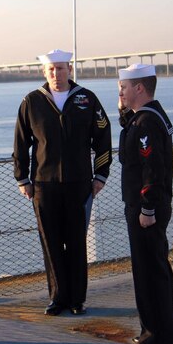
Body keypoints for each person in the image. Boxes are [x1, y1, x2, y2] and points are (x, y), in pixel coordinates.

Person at [13, 49, 112, 316]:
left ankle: (77, 299)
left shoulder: (87, 99)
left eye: (60, 68)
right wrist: (22, 179)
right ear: (45, 72)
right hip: (44, 185)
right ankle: (58, 298)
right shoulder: (32, 102)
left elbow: (103, 137)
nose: (56, 74)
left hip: (79, 184)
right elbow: (21, 143)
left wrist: (100, 174)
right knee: (51, 243)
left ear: (69, 68)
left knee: (76, 242)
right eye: (51, 70)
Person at [118, 63, 173, 344]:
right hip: (147, 206)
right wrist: (123, 112)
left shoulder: (146, 123)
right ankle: (158, 330)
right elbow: (128, 150)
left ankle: (158, 336)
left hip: (145, 209)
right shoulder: (146, 117)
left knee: (150, 272)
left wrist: (148, 208)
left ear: (139, 88)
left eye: (125, 87)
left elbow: (151, 168)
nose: (121, 91)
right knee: (154, 269)